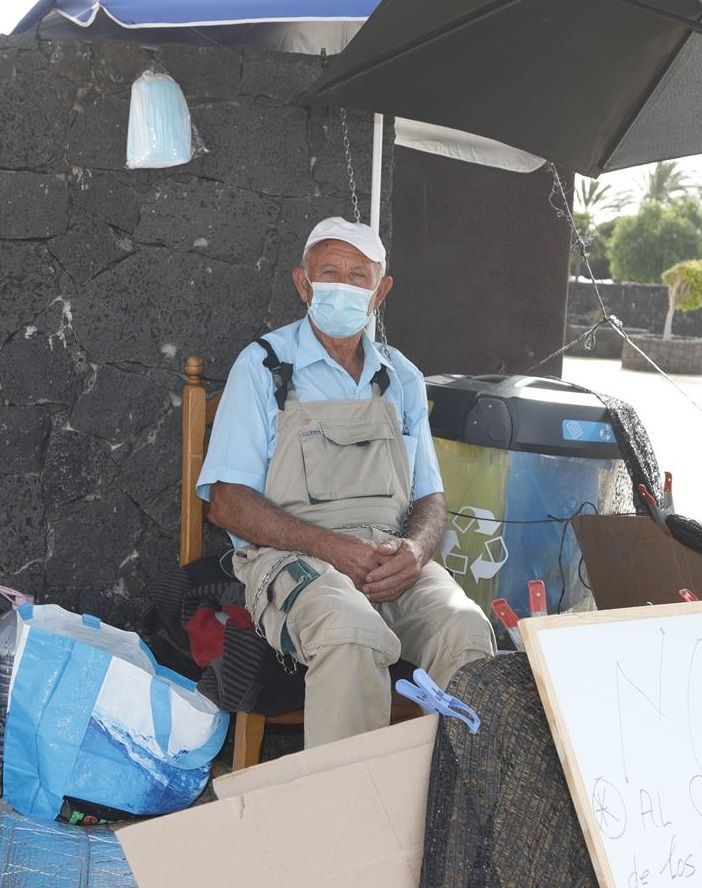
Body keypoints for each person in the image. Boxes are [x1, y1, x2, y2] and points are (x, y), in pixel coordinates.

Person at [196, 217, 496, 747]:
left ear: (380, 292)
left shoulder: (400, 375)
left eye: (359, 275)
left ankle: (455, 810)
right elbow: (226, 503)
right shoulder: (264, 366)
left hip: (389, 560)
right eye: (328, 272)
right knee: (351, 631)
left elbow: (430, 496)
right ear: (302, 283)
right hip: (292, 558)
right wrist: (333, 548)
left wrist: (417, 550)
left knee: (466, 629)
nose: (343, 284)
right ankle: (349, 819)